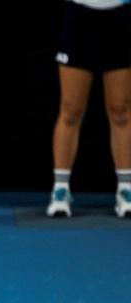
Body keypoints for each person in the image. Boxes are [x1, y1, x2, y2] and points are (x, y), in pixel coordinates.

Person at [48, 0, 131, 218]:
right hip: (80, 19)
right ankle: (61, 189)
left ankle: (126, 189)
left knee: (121, 110)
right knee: (70, 109)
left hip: (121, 19)